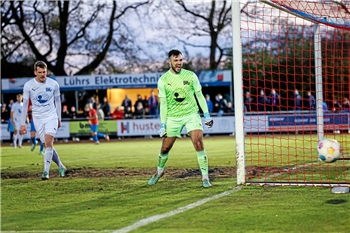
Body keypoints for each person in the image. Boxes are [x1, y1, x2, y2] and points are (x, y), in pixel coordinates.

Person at [147, 49, 214, 188]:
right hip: (173, 117)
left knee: (199, 144)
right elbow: (163, 104)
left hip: (191, 114)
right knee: (165, 148)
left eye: (180, 60)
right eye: (176, 60)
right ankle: (159, 172)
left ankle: (205, 178)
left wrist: (206, 115)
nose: (179, 63)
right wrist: (163, 125)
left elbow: (199, 95)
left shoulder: (191, 76)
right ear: (169, 61)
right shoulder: (163, 80)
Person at [19, 61, 67, 180]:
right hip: (38, 118)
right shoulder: (28, 85)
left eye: (44, 72)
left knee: (49, 142)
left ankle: (46, 172)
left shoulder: (54, 84)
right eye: (39, 72)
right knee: (46, 145)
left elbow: (58, 102)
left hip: (51, 116)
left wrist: (59, 118)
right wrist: (22, 123)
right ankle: (61, 166)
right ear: (35, 72)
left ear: (47, 71)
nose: (42, 75)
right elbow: (25, 105)